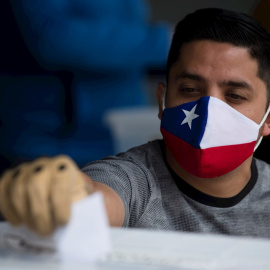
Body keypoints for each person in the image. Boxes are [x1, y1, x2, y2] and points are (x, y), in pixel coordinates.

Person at [1, 8, 270, 238]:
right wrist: (62, 195)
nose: (208, 112)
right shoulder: (133, 181)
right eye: (190, 89)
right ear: (162, 101)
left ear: (267, 119)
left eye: (234, 96)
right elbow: (96, 197)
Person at [0, 0, 170, 174]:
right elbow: (53, 36)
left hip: (124, 138)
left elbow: (128, 29)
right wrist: (165, 42)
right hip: (52, 146)